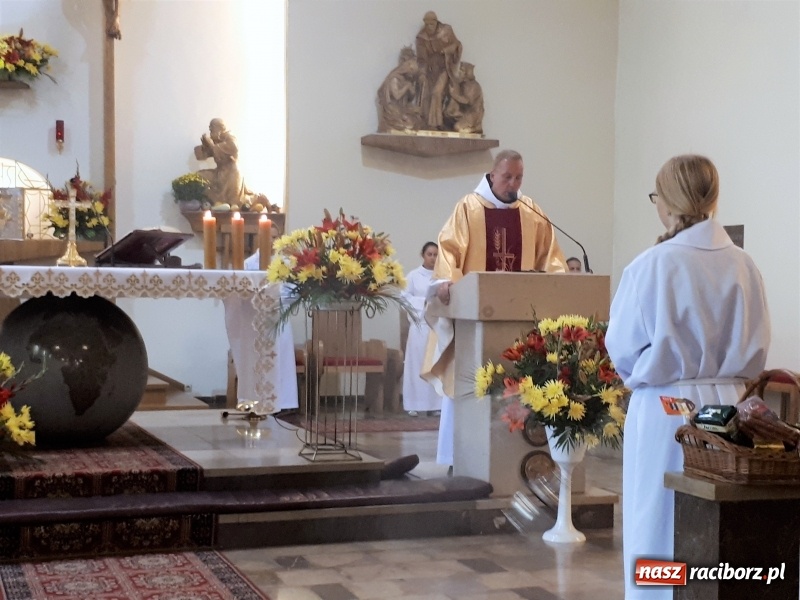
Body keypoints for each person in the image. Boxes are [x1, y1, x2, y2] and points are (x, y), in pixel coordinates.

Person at [605, 154, 770, 599]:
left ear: (669, 201)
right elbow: (758, 344)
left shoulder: (650, 266)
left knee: (659, 521)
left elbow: (622, 348)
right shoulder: (743, 263)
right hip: (733, 408)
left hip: (666, 409)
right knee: (725, 525)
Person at [424, 149, 567, 468]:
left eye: (519, 177)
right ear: (492, 174)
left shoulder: (532, 212)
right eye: (507, 177)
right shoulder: (469, 208)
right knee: (466, 384)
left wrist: (558, 284)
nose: (513, 183)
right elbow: (449, 251)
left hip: (521, 323)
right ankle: (457, 456)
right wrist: (447, 281)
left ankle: (514, 458)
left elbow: (551, 258)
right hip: (476, 322)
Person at [402, 242, 442, 417]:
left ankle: (435, 404)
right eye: (430, 254)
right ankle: (414, 403)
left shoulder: (442, 277)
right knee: (416, 364)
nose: (433, 258)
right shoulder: (413, 276)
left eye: (436, 255)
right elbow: (404, 298)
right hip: (419, 326)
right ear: (423, 255)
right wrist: (423, 303)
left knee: (434, 364)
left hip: (437, 326)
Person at [415, 11, 462, 130]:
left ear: (436, 22)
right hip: (431, 70)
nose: (429, 27)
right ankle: (427, 122)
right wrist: (422, 74)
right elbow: (421, 59)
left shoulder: (446, 30)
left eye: (431, 24)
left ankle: (435, 124)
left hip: (445, 68)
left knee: (437, 92)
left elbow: (457, 45)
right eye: (427, 24)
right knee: (427, 94)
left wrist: (447, 50)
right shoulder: (421, 37)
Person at [195, 118, 245, 207]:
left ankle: (220, 203)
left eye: (212, 129)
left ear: (219, 128)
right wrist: (205, 146)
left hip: (231, 172)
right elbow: (201, 156)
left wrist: (212, 145)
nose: (210, 131)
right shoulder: (216, 139)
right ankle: (211, 202)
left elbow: (234, 148)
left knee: (233, 200)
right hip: (219, 172)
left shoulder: (229, 136)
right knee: (198, 177)